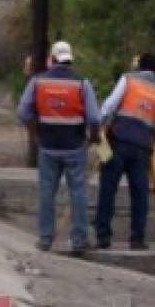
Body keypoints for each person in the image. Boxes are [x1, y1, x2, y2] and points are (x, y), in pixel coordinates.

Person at [17, 41, 101, 256]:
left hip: (47, 147)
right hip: (75, 147)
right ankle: (79, 241)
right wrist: (93, 138)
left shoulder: (38, 82)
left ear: (52, 59)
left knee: (47, 192)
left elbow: (23, 113)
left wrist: (35, 134)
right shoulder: (82, 84)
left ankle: (45, 240)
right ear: (70, 59)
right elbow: (94, 117)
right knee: (78, 193)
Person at [93, 53, 155, 249]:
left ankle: (103, 236)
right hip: (142, 147)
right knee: (139, 193)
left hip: (118, 141)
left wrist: (100, 127)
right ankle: (137, 239)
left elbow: (109, 106)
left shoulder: (129, 79)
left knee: (108, 189)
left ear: (140, 66)